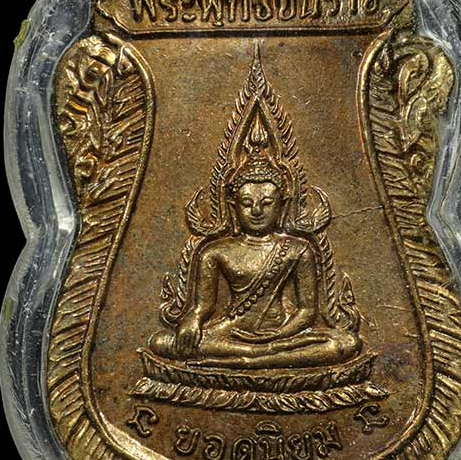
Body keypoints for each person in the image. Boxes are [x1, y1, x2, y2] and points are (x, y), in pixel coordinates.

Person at [149, 148, 360, 369]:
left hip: (283, 333)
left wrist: (278, 335)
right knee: (161, 342)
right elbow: (203, 307)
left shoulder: (298, 249)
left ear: (282, 205)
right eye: (247, 203)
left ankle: (250, 359)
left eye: (267, 203)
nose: (257, 211)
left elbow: (307, 311)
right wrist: (192, 320)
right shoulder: (215, 252)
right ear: (234, 207)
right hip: (232, 332)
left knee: (345, 343)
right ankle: (257, 356)